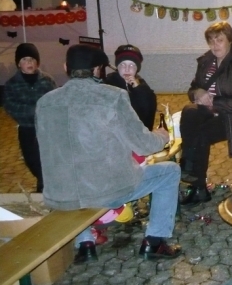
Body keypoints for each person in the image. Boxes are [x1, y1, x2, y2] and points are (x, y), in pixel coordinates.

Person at [35, 44, 182, 263]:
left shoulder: (45, 102)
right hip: (106, 191)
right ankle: (155, 241)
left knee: (77, 185)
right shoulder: (112, 96)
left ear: (66, 67)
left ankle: (85, 244)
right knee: (170, 171)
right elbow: (143, 145)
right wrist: (162, 136)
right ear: (97, 69)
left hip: (60, 194)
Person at [179, 21, 232, 205]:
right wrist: (197, 93)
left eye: (219, 40)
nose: (214, 45)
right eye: (211, 41)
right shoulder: (206, 61)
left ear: (230, 41)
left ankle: (196, 183)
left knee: (201, 134)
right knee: (189, 112)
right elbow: (193, 88)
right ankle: (190, 167)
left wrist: (214, 102)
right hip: (211, 111)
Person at [4, 43, 57, 192]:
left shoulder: (47, 80)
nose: (29, 63)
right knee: (31, 160)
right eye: (25, 59)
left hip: (47, 129)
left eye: (32, 59)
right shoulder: (12, 84)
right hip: (27, 128)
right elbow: (11, 107)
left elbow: (54, 101)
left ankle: (44, 188)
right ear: (18, 63)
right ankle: (44, 184)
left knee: (49, 160)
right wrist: (35, 110)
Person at [104, 44, 157, 130]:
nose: (127, 69)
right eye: (123, 65)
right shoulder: (108, 85)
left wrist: (138, 90)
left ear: (137, 69)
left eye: (132, 65)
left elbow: (148, 114)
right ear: (117, 67)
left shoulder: (142, 85)